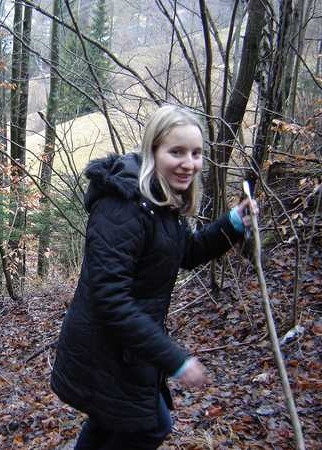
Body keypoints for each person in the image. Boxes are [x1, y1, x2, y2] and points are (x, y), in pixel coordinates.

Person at [50, 105, 257, 450]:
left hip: (125, 348)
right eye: (176, 152)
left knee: (111, 423)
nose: (188, 163)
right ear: (153, 151)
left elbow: (185, 252)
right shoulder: (124, 206)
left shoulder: (160, 201)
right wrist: (174, 359)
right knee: (149, 426)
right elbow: (110, 299)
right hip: (104, 350)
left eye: (196, 153)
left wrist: (232, 223)